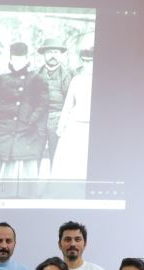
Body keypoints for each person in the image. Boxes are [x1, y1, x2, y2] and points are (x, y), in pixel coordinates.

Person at [0, 43, 49, 196]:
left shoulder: (37, 79)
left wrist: (30, 120)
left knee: (21, 154)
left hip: (25, 126)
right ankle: (1, 191)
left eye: (21, 59)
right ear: (10, 60)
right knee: (2, 154)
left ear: (27, 59)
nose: (18, 62)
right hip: (3, 127)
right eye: (15, 59)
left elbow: (43, 104)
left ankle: (22, 191)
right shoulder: (2, 79)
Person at [51, 47, 93, 180]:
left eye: (91, 61)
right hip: (75, 125)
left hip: (92, 126)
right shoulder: (77, 80)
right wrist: (61, 125)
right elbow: (68, 105)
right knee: (70, 159)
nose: (88, 65)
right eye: (85, 61)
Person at [35, 39, 72, 171]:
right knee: (34, 155)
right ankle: (32, 182)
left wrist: (66, 120)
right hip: (38, 118)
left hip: (58, 117)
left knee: (56, 156)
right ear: (44, 54)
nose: (53, 55)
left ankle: (53, 180)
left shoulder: (69, 74)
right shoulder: (35, 74)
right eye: (49, 52)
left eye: (56, 52)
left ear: (61, 55)